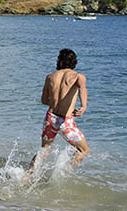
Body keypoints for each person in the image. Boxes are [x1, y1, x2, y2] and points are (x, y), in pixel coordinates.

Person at [22, 48, 90, 182]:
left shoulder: (50, 77)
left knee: (44, 151)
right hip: (66, 121)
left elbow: (43, 101)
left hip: (50, 118)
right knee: (84, 150)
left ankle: (27, 176)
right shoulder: (78, 77)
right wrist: (83, 107)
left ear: (60, 60)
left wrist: (55, 101)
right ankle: (65, 175)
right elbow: (82, 89)